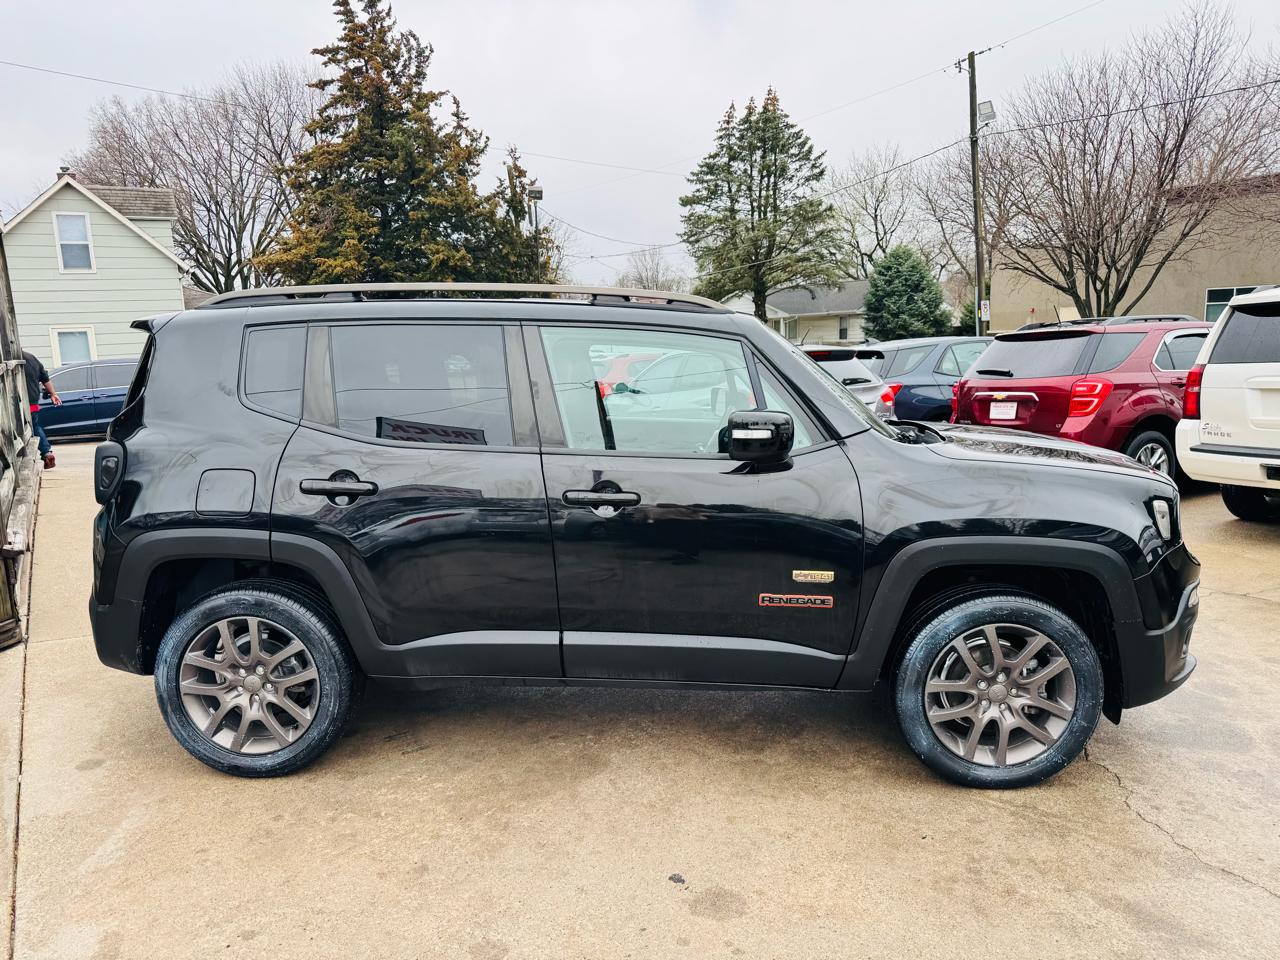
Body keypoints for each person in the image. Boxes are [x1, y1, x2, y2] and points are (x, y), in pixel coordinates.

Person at [22, 350, 60, 469]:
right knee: (34, 426)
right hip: (33, 400)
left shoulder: (9, 359)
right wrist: (53, 394)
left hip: (19, 401)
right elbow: (45, 378)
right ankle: (46, 453)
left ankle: (31, 456)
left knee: (24, 430)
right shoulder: (31, 358)